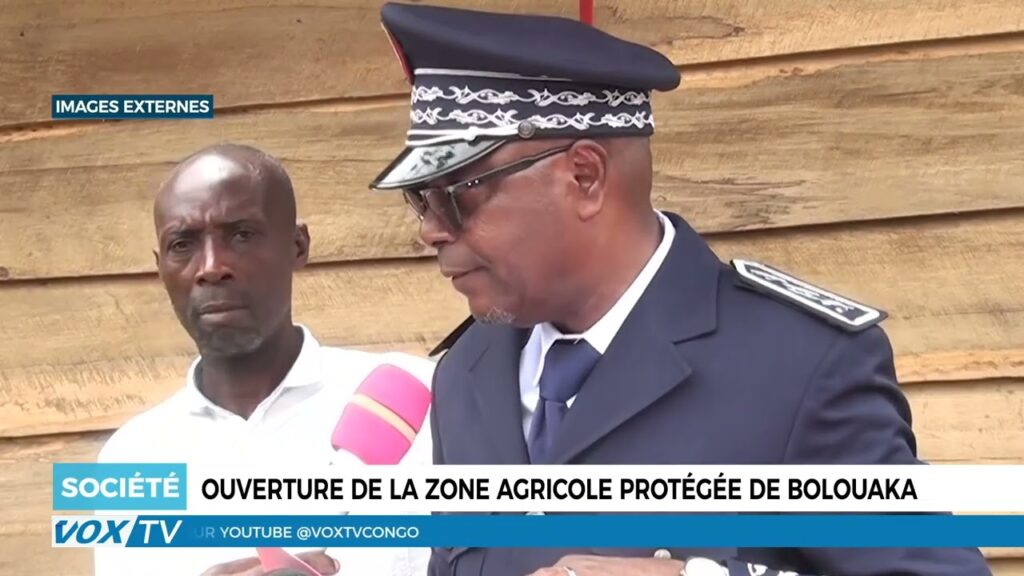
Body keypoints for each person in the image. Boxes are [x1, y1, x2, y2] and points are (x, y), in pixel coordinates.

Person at [367, 3, 991, 576]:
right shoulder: (468, 373)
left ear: (584, 177)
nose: (430, 230)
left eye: (455, 196)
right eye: (419, 199)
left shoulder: (796, 365)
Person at [95, 143, 434, 576]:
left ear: (297, 246)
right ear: (161, 269)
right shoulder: (131, 458)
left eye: (241, 235)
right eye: (183, 244)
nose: (212, 267)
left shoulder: (421, 402)